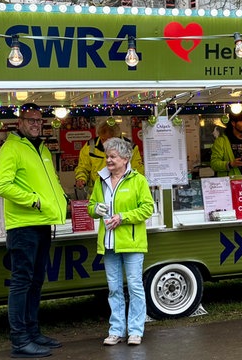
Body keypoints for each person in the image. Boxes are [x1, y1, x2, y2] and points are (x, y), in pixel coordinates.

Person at [0, 103, 66, 359]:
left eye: (39, 120)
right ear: (20, 122)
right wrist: (33, 200)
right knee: (22, 283)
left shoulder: (42, 148)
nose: (36, 124)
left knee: (35, 282)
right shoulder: (11, 148)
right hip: (23, 225)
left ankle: (33, 333)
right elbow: (1, 185)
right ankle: (20, 340)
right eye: (31, 120)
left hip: (42, 223)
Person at [87, 138, 154, 347]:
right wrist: (97, 209)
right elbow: (90, 207)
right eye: (107, 156)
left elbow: (147, 208)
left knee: (135, 287)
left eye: (113, 157)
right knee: (114, 288)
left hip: (132, 243)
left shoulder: (138, 180)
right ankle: (116, 330)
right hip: (108, 243)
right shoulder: (100, 181)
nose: (108, 160)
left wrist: (122, 217)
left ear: (125, 158)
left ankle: (135, 330)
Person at [75, 122, 145, 190]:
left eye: (109, 140)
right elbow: (83, 167)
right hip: (97, 193)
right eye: (103, 139)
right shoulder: (90, 147)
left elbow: (137, 171)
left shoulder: (130, 148)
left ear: (117, 138)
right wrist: (81, 178)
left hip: (123, 192)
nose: (105, 143)